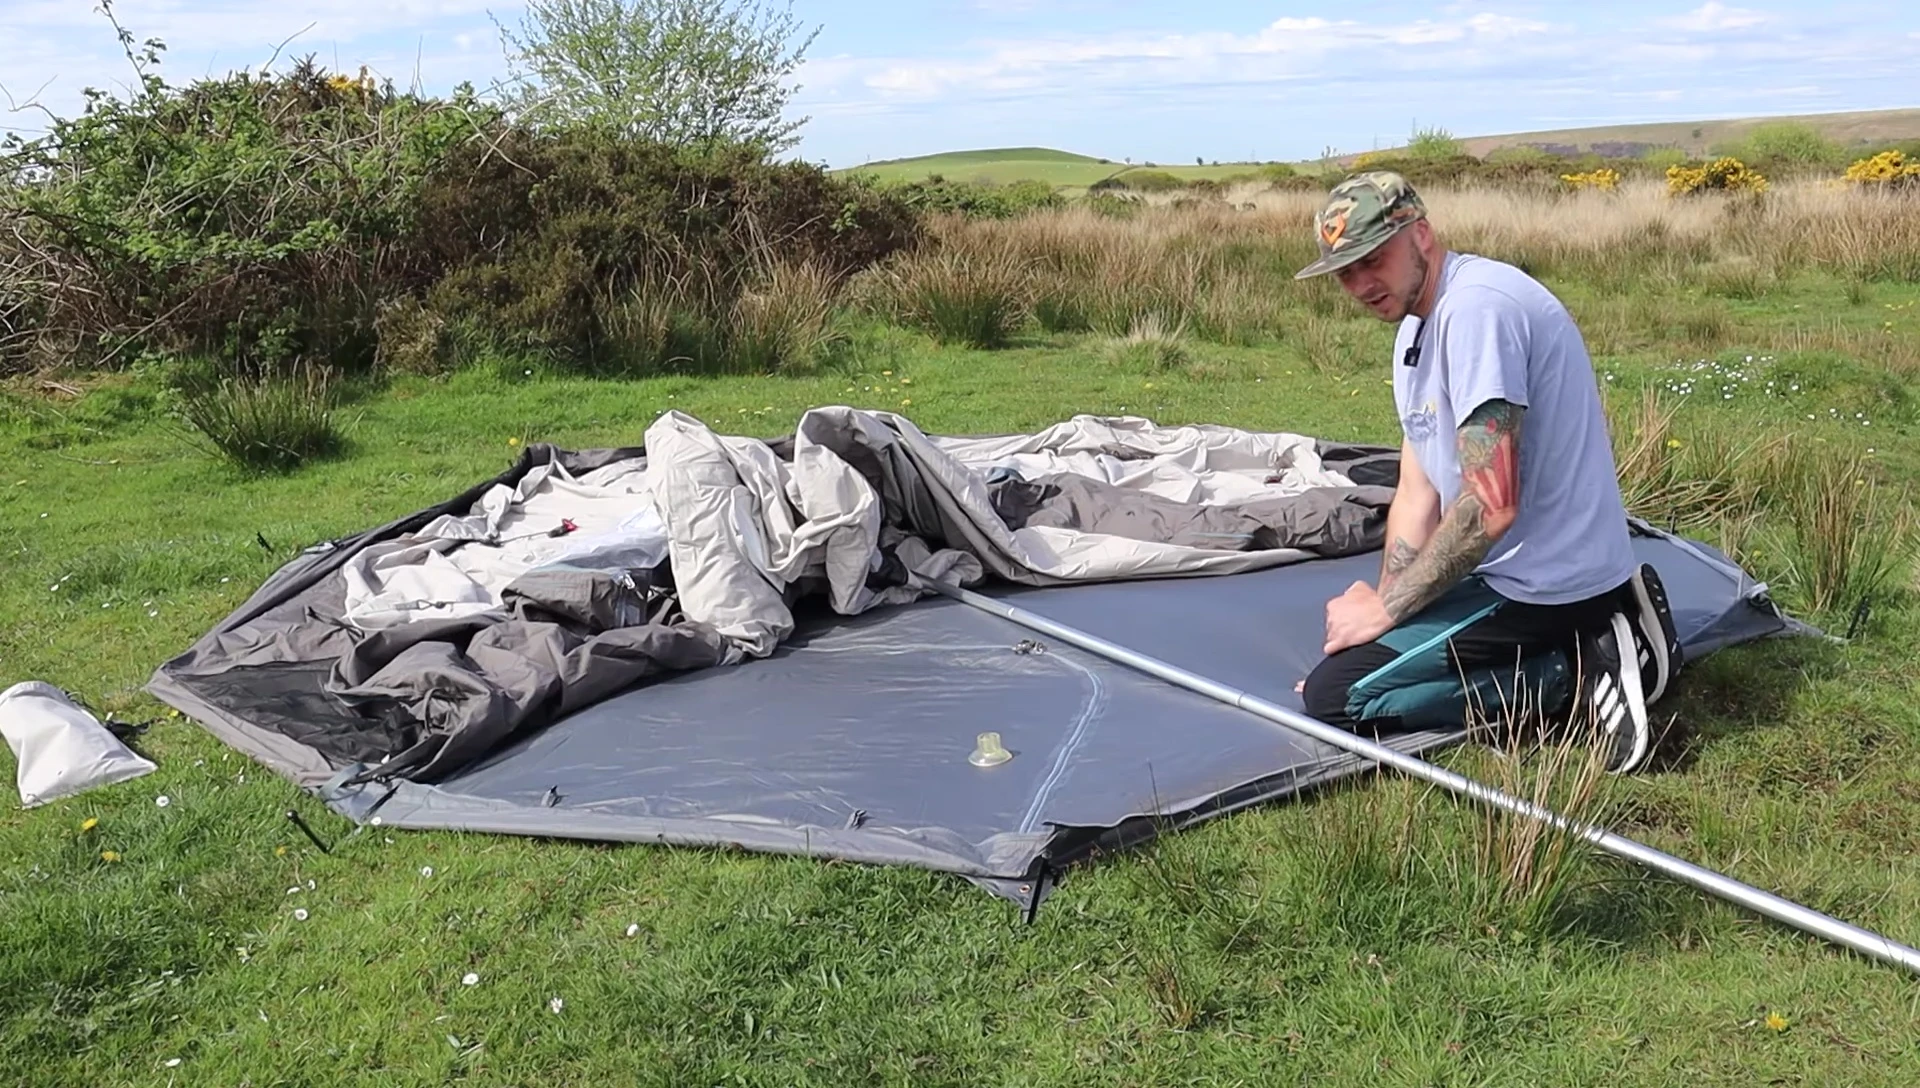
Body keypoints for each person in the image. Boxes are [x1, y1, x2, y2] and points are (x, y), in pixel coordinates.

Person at [1290, 171, 1682, 774]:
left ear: (1421, 234)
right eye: (1345, 272)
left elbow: (1492, 505)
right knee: (1353, 666)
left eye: (1373, 259)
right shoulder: (1415, 328)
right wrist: (1380, 614)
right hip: (1503, 572)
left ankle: (1576, 670)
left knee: (1339, 698)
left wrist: (1385, 614)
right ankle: (1602, 630)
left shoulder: (1477, 310)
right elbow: (1417, 490)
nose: (1361, 284)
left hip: (1547, 584)